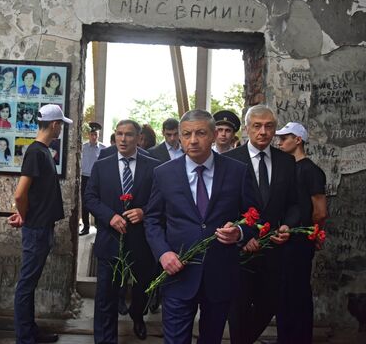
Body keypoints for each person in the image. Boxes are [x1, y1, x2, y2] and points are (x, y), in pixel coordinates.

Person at [144, 109, 258, 344]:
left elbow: (253, 216)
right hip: (178, 272)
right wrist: (163, 253)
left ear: (214, 135)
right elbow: (152, 219)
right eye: (186, 134)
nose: (192, 140)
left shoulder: (236, 171)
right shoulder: (163, 173)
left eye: (200, 133)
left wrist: (240, 233)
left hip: (220, 273)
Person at [224, 104, 299, 344]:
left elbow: (295, 203)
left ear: (275, 129)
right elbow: (223, 206)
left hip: (273, 248)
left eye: (269, 127)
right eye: (257, 126)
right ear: (247, 129)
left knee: (270, 304)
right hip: (239, 250)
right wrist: (242, 236)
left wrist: (288, 224)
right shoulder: (228, 161)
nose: (263, 132)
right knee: (238, 308)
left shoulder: (286, 162)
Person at [84, 119, 160, 343]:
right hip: (110, 240)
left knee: (141, 289)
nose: (123, 139)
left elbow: (161, 200)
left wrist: (144, 212)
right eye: (119, 134)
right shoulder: (102, 165)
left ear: (139, 139)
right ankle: (105, 339)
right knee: (105, 296)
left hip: (141, 242)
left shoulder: (153, 166)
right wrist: (110, 216)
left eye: (128, 135)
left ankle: (138, 316)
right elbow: (89, 198)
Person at [8, 104, 72, 344]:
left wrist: (24, 213)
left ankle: (30, 331)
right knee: (26, 284)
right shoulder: (36, 152)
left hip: (42, 226)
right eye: (60, 126)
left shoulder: (43, 151)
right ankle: (25, 337)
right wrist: (23, 216)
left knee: (30, 283)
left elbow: (30, 194)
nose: (60, 130)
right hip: (36, 228)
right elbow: (19, 194)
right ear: (55, 124)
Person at [276, 122, 327, 344]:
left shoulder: (311, 170)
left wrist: (314, 234)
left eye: (285, 138)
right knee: (284, 292)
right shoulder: (286, 168)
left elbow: (320, 210)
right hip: (285, 240)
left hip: (300, 241)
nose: (280, 142)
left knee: (298, 292)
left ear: (298, 140)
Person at [79, 122, 106, 236]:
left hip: (97, 179)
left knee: (97, 202)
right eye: (92, 134)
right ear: (89, 135)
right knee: (85, 203)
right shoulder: (83, 147)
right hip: (84, 178)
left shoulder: (104, 149)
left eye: (96, 134)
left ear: (98, 135)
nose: (94, 137)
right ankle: (86, 227)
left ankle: (98, 226)